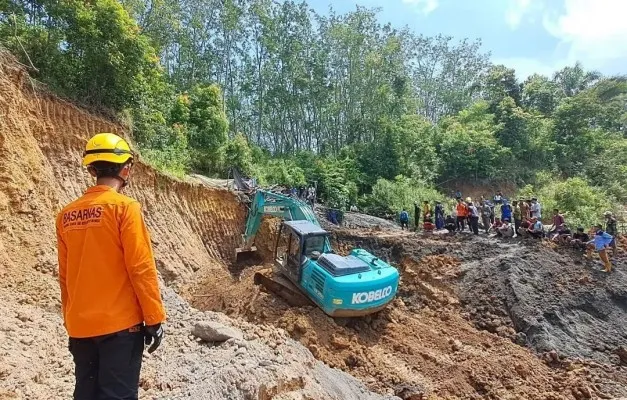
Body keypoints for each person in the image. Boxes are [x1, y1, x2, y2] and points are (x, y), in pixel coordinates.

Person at [56, 133, 166, 400]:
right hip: (120, 328)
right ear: (126, 169)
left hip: (80, 327)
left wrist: (72, 321)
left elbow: (65, 276)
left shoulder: (66, 215)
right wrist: (154, 318)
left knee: (86, 393)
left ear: (91, 169)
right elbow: (140, 267)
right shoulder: (124, 208)